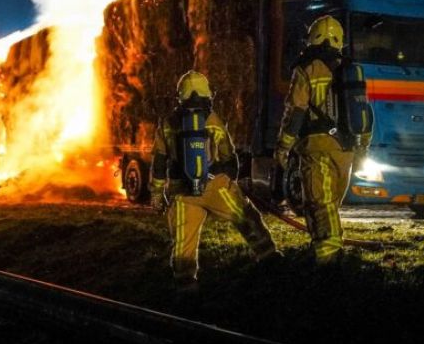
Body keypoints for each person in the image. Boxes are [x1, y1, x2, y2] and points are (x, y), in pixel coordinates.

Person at [150, 70, 280, 288]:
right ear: (208, 94)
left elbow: (159, 162)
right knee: (246, 216)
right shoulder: (213, 121)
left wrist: (156, 193)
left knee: (183, 241)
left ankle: (185, 285)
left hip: (182, 194)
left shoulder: (166, 124)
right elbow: (228, 155)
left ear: (179, 96)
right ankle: (269, 257)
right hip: (216, 186)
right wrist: (230, 178)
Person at [274, 15, 370, 266]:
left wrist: (283, 146)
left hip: (317, 147)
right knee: (328, 205)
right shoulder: (351, 70)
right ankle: (325, 250)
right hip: (346, 149)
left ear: (312, 37)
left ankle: (328, 262)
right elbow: (363, 112)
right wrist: (362, 149)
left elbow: (295, 111)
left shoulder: (306, 68)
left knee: (320, 202)